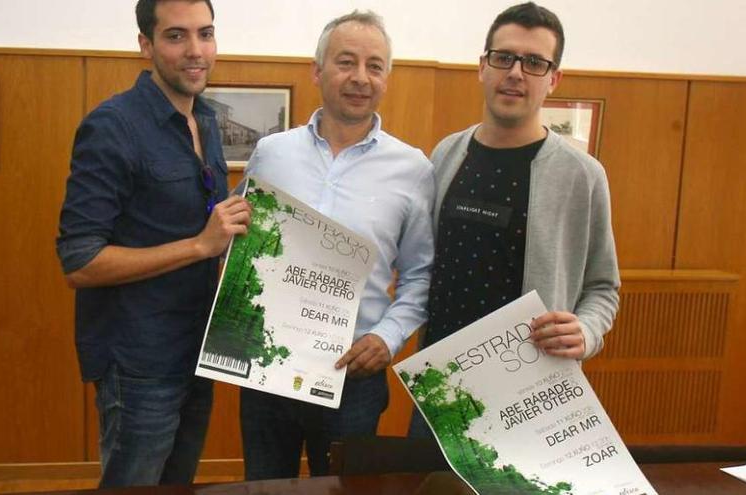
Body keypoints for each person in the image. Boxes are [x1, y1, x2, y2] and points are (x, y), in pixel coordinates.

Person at [55, 0, 251, 487]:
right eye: (176, 36)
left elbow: (208, 231)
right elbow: (79, 261)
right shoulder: (113, 126)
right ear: (146, 44)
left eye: (205, 34)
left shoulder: (204, 119)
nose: (196, 51)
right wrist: (200, 246)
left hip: (199, 351)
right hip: (140, 363)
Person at [240, 10, 436, 480]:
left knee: (347, 490)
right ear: (317, 70)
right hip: (269, 365)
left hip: (354, 375)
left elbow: (421, 276)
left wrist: (386, 339)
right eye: (346, 62)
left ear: (387, 79)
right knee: (266, 489)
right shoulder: (272, 153)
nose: (360, 78)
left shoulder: (413, 169)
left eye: (375, 66)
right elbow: (239, 242)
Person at [410, 2, 619, 435]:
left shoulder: (583, 176)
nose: (516, 73)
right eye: (504, 58)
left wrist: (587, 330)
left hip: (529, 400)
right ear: (482, 67)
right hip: (438, 388)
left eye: (534, 62)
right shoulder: (446, 154)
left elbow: (603, 287)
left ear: (553, 78)